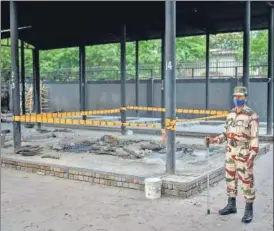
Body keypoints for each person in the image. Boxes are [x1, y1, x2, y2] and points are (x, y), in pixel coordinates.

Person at [205, 86, 259, 224]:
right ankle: (231, 205)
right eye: (235, 96)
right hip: (230, 152)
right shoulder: (230, 114)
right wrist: (213, 140)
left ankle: (248, 209)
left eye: (240, 97)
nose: (237, 99)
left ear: (245, 98)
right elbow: (225, 134)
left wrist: (252, 155)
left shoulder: (251, 115)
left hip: (244, 153)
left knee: (246, 181)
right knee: (230, 179)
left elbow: (254, 137)